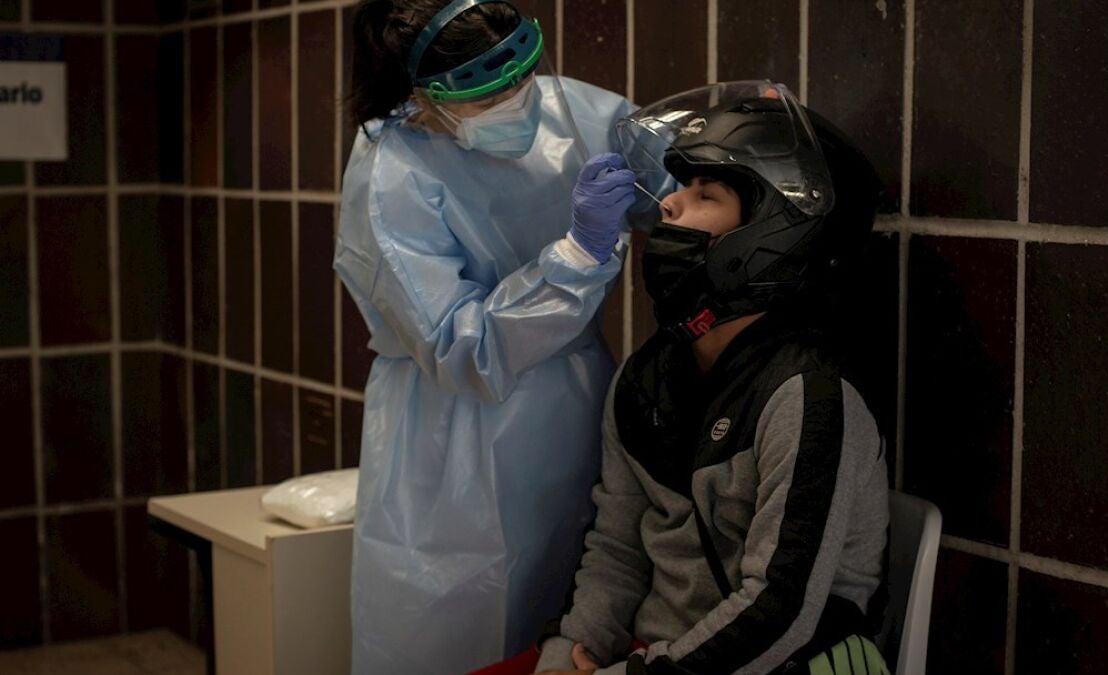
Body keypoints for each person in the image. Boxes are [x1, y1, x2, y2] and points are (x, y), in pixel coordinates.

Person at [526, 81, 892, 675]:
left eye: (706, 194)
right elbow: (617, 551)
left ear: (772, 234)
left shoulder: (807, 396)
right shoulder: (644, 381)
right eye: (680, 187)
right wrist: (568, 654)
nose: (668, 205)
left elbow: (780, 610)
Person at [333, 1, 637, 672]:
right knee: (456, 630)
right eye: (487, 92)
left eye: (521, 77)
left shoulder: (570, 109)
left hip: (576, 403)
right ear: (417, 94)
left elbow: (661, 161)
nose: (515, 101)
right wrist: (578, 256)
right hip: (454, 439)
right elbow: (461, 350)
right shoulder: (392, 173)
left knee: (571, 613)